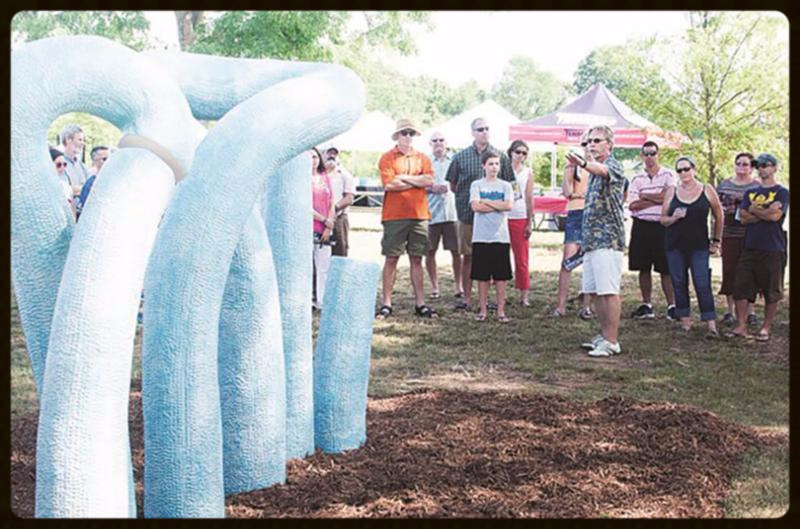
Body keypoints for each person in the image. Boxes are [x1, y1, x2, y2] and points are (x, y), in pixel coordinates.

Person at [566, 125, 626, 358]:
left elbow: (602, 170)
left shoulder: (613, 166)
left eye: (597, 140)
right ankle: (605, 335)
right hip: (592, 241)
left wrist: (582, 163)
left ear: (609, 145)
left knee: (609, 291)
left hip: (608, 239)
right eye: (589, 140)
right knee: (597, 291)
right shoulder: (590, 173)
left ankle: (612, 341)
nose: (591, 144)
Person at [446, 117, 514, 311]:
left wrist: (490, 204)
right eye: (480, 129)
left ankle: (493, 301)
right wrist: (477, 204)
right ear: (472, 132)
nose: (484, 132)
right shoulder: (460, 157)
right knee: (468, 256)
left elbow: (510, 184)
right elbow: (453, 184)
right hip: (468, 215)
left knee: (495, 257)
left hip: (496, 222)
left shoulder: (500, 156)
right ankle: (468, 298)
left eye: (487, 128)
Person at [375, 119, 436, 319]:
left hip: (419, 215)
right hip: (395, 216)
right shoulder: (387, 157)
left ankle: (420, 303)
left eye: (411, 133)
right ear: (397, 136)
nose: (408, 136)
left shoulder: (422, 158)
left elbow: (429, 180)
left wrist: (404, 178)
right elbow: (389, 185)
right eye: (404, 133)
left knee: (417, 258)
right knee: (391, 258)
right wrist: (416, 181)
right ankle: (386, 303)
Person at [660, 156, 724, 338]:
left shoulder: (707, 189)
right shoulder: (672, 191)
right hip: (675, 245)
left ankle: (711, 324)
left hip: (699, 245)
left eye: (686, 169)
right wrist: (674, 218)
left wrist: (716, 240)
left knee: (702, 283)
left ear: (694, 169)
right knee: (679, 283)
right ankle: (685, 322)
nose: (683, 173)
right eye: (679, 170)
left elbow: (719, 215)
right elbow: (662, 219)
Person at [728, 153, 789, 342]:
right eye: (758, 165)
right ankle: (741, 325)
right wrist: (764, 211)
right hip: (750, 246)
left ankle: (765, 327)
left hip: (773, 247)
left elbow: (775, 217)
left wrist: (754, 210)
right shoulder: (750, 193)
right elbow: (743, 218)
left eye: (765, 165)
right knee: (741, 286)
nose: (761, 168)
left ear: (774, 167)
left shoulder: (782, 192)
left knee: (772, 289)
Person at [627, 141, 677, 320]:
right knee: (643, 266)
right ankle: (646, 304)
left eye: (652, 153)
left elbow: (669, 199)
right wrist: (658, 199)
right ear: (641, 156)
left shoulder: (669, 174)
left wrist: (645, 196)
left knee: (666, 268)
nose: (649, 157)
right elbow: (633, 205)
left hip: (662, 225)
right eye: (646, 154)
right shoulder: (636, 178)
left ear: (658, 154)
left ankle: (672, 306)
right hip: (641, 226)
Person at [716, 152, 761, 326]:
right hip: (729, 234)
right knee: (729, 271)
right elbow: (717, 211)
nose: (742, 167)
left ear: (751, 168)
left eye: (746, 164)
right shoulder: (724, 185)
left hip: (750, 235)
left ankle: (751, 311)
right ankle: (730, 310)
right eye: (739, 163)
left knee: (750, 272)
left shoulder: (757, 187)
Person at [553, 133, 594, 319]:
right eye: (585, 143)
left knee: (590, 261)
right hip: (576, 213)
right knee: (568, 260)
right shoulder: (573, 166)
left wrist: (581, 195)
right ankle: (560, 305)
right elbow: (567, 192)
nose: (589, 146)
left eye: (593, 142)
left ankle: (586, 306)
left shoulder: (601, 166)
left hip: (593, 215)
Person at [470, 151, 514, 322]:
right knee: (482, 276)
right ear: (484, 166)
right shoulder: (476, 185)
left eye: (497, 164)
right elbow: (476, 207)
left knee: (501, 276)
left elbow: (508, 205)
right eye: (490, 164)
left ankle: (501, 310)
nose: (494, 167)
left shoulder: (505, 186)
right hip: (481, 236)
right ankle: (483, 309)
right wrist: (497, 205)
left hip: (500, 236)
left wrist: (486, 202)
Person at [424, 131, 462, 299]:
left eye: (441, 140)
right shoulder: (424, 162)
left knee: (456, 250)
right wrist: (432, 188)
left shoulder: (455, 160)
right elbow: (417, 184)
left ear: (446, 142)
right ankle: (434, 287)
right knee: (430, 251)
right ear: (430, 143)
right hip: (431, 212)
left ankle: (458, 286)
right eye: (435, 140)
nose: (438, 143)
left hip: (452, 212)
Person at [507, 140, 532, 306]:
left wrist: (530, 221)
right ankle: (497, 293)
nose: (520, 156)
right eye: (518, 152)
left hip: (520, 216)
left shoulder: (528, 172)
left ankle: (524, 295)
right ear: (511, 152)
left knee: (522, 259)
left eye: (524, 153)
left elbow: (530, 197)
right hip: (501, 216)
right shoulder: (502, 169)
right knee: (499, 256)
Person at [310, 147, 335, 311]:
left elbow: (332, 201)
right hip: (309, 226)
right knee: (306, 266)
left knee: (323, 266)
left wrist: (329, 224)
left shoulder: (324, 178)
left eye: (315, 156)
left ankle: (322, 300)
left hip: (325, 228)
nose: (313, 160)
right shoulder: (300, 181)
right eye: (310, 157)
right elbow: (304, 205)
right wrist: (323, 219)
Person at [324, 153, 356, 257]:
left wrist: (334, 209)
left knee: (339, 251)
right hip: (319, 218)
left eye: (335, 153)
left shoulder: (345, 175)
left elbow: (349, 198)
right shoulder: (317, 174)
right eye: (329, 152)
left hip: (339, 218)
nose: (332, 155)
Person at [76, 146, 111, 218]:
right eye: (104, 159)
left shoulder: (113, 180)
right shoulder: (90, 184)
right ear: (94, 161)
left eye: (110, 159)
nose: (108, 162)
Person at [59, 123, 91, 199]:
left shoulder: (81, 165)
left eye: (83, 140)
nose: (83, 143)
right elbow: (63, 189)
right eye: (80, 139)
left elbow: (91, 186)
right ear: (68, 140)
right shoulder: (59, 164)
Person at [50, 146, 75, 217]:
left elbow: (72, 208)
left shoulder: (65, 185)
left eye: (65, 164)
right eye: (58, 165)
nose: (62, 167)